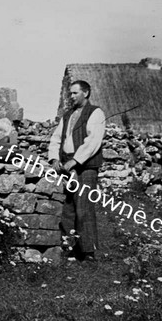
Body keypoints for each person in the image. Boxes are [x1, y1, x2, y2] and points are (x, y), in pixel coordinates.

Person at [48, 80, 106, 262]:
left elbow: (93, 141)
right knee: (68, 208)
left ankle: (87, 251)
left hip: (85, 167)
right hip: (67, 167)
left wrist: (75, 161)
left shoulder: (95, 113)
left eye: (75, 93)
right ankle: (68, 246)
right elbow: (57, 138)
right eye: (70, 93)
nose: (71, 97)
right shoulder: (68, 115)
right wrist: (55, 159)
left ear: (86, 93)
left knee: (84, 208)